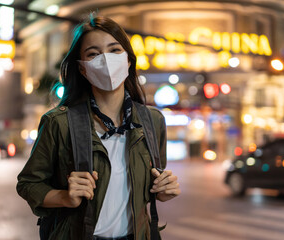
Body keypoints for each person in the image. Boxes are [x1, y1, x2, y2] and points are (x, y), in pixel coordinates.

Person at [16, 15, 181, 240]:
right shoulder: (59, 123)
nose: (106, 60)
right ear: (83, 69)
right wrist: (64, 197)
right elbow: (28, 184)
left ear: (128, 60)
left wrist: (163, 190)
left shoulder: (152, 120)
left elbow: (154, 181)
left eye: (115, 50)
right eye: (93, 54)